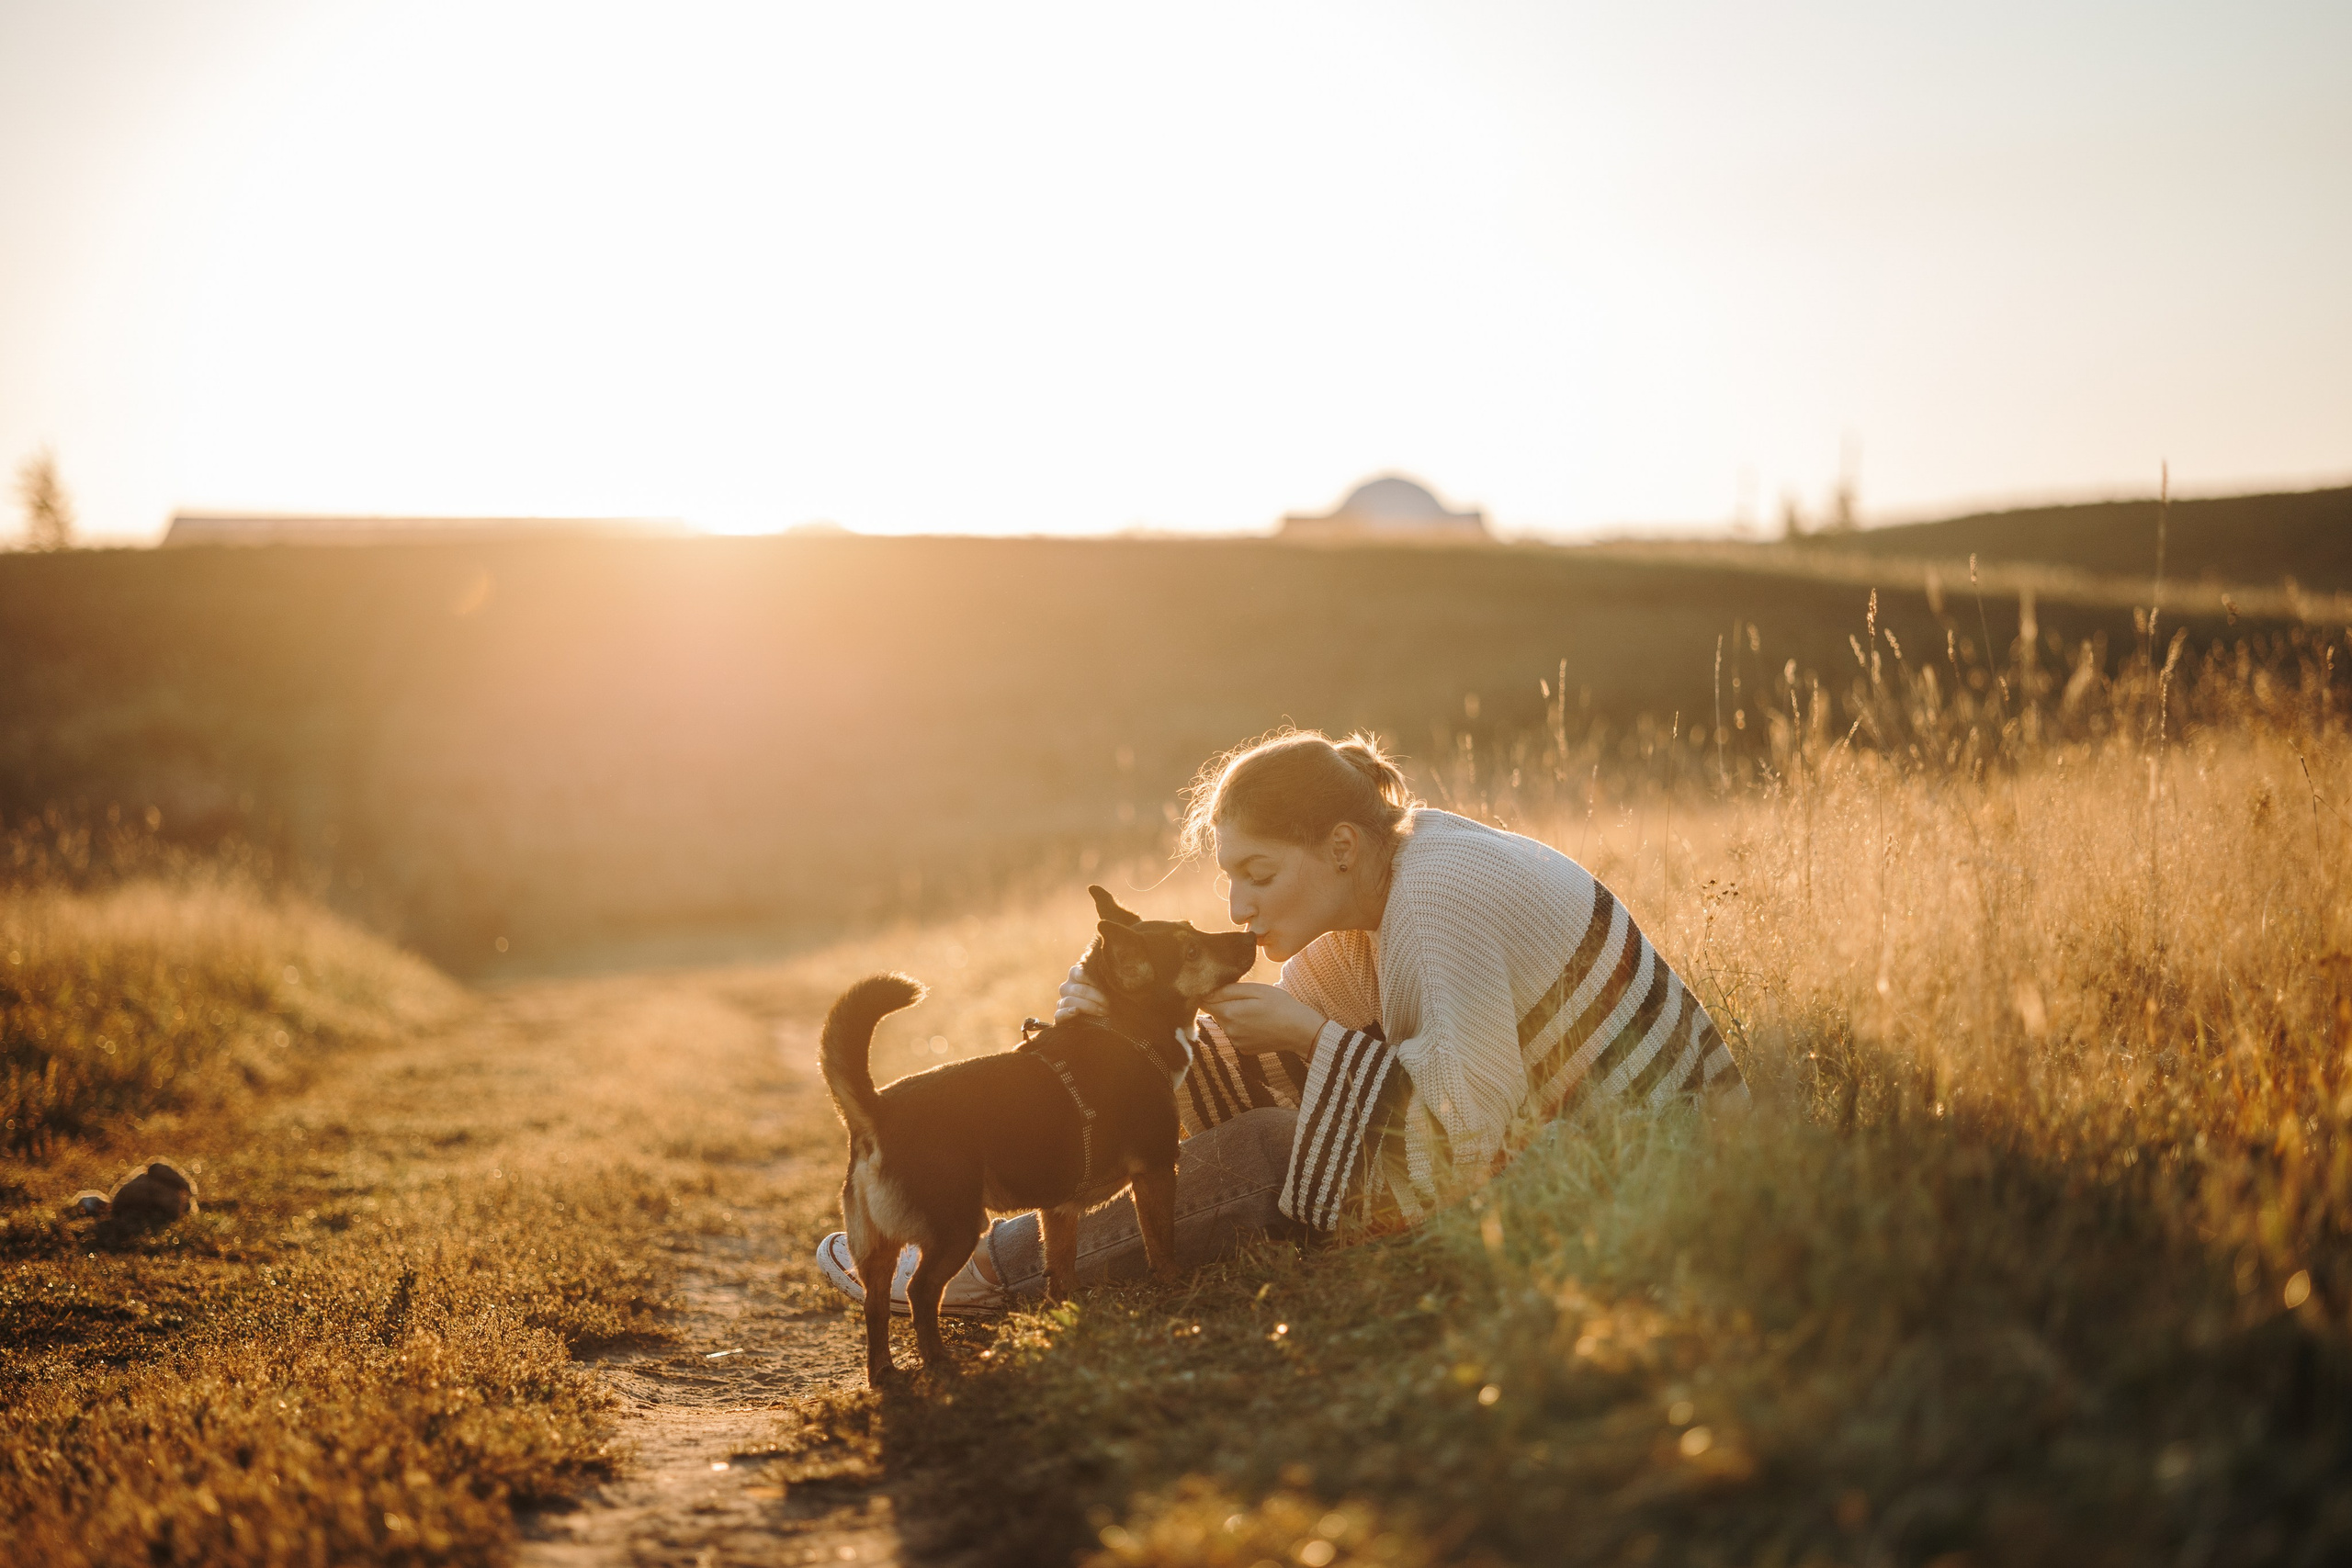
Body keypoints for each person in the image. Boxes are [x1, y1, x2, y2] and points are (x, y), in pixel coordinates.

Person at [812, 728, 1748, 1317]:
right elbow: (1231, 1049)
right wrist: (1105, 1023)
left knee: (1269, 1151)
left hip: (1639, 1164)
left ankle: (979, 1270)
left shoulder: (1437, 898)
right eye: (1229, 877)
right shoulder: (1381, 892)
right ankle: (954, 1215)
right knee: (1234, 1091)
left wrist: (1307, 1041)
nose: (1238, 904)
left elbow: (1476, 1116)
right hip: (1573, 1142)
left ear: (1339, 846)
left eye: (1257, 875)